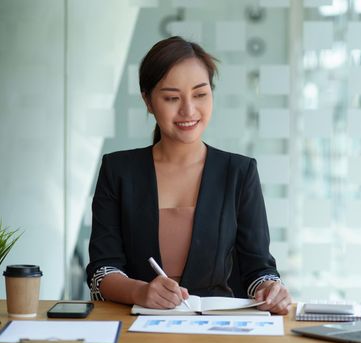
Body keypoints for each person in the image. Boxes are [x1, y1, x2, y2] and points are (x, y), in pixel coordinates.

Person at [86, 36, 291, 315]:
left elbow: (258, 267)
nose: (188, 110)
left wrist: (270, 288)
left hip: (217, 328)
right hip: (135, 327)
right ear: (148, 101)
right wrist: (140, 291)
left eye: (200, 94)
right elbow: (102, 270)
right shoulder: (118, 171)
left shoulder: (239, 173)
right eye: (172, 98)